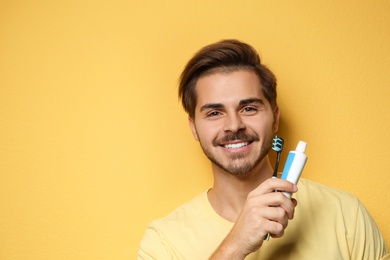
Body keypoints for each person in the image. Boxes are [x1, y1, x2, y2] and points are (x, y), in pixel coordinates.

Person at [138, 39, 389, 259]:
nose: (234, 125)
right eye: (214, 113)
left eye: (249, 108)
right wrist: (235, 245)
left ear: (275, 118)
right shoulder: (163, 242)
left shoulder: (346, 214)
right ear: (194, 128)